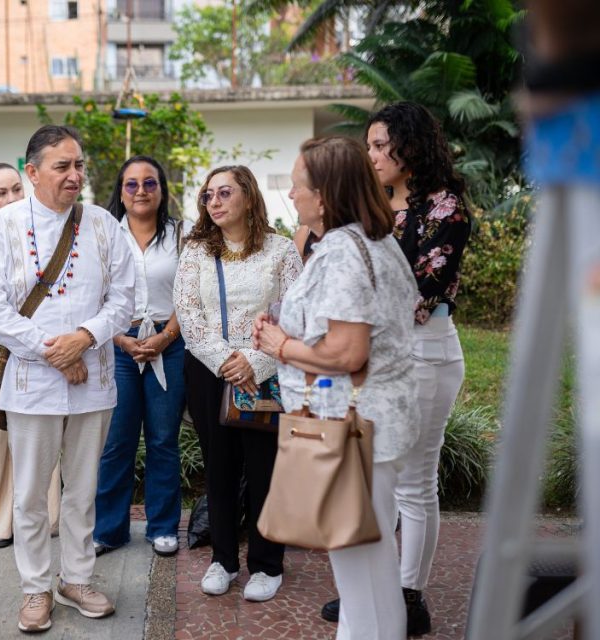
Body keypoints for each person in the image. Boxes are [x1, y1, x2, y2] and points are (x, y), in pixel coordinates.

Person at [253, 136, 419, 639]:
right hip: (376, 424)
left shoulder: (346, 251)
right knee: (372, 568)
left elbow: (348, 352)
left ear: (323, 196)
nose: (293, 197)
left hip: (354, 428)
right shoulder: (374, 241)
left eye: (298, 187)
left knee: (361, 572)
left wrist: (281, 344)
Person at [0, 125, 135, 633]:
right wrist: (56, 352)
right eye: (62, 166)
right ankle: (34, 589)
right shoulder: (1, 227)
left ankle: (78, 578)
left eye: (79, 165)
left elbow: (126, 299)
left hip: (93, 378)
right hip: (31, 381)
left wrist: (84, 337)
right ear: (32, 172)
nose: (75, 175)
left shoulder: (104, 224)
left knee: (82, 489)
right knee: (29, 494)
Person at [361, 101, 469, 635]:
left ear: (411, 146)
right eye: (370, 147)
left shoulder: (445, 209)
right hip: (379, 356)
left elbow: (419, 294)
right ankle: (375, 593)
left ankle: (409, 597)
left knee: (413, 482)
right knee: (379, 481)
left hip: (426, 352)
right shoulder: (375, 207)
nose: (374, 156)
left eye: (383, 145)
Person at [173, 165, 301, 602]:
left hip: (267, 373)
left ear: (248, 195)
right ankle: (223, 560)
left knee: (266, 470)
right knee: (220, 469)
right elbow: (189, 316)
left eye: (224, 192)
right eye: (208, 195)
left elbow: (295, 317)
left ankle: (267, 564)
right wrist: (229, 362)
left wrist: (255, 361)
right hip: (210, 374)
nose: (215, 202)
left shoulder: (282, 251)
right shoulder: (194, 251)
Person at [0, 163, 61, 548]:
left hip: (41, 332)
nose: (11, 198)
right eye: (0, 193)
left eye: (16, 189)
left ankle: (41, 516)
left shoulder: (47, 232)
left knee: (39, 420)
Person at [94, 155, 186, 558]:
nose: (141, 191)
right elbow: (92, 296)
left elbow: (191, 293)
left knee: (164, 439)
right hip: (120, 345)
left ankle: (163, 527)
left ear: (162, 189)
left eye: (150, 183)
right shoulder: (103, 236)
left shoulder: (182, 235)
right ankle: (109, 529)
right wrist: (121, 338)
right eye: (131, 184)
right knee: (117, 441)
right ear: (120, 191)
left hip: (170, 341)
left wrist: (166, 336)